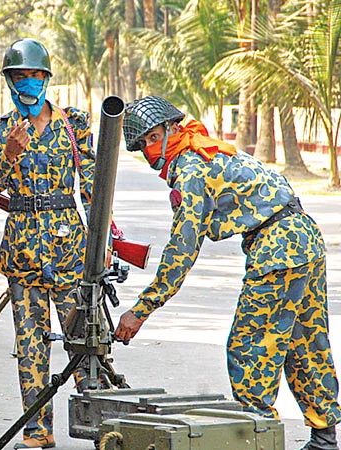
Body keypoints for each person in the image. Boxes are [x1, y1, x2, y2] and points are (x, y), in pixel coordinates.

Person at [115, 96, 341, 450]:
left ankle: (261, 438)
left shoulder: (191, 169)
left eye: (151, 138)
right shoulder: (204, 149)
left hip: (277, 249)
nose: (148, 149)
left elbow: (181, 251)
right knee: (303, 341)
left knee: (249, 347)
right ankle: (325, 440)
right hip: (303, 238)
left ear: (171, 129)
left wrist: (140, 310)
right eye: (141, 144)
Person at [0, 38, 95, 449]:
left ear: (46, 79)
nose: (27, 83)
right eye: (19, 76)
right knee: (31, 350)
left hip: (71, 250)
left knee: (86, 343)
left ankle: (101, 423)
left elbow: (95, 187)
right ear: (8, 82)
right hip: (23, 253)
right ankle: (38, 433)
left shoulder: (74, 124)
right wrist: (7, 155)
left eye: (34, 76)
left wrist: (103, 242)